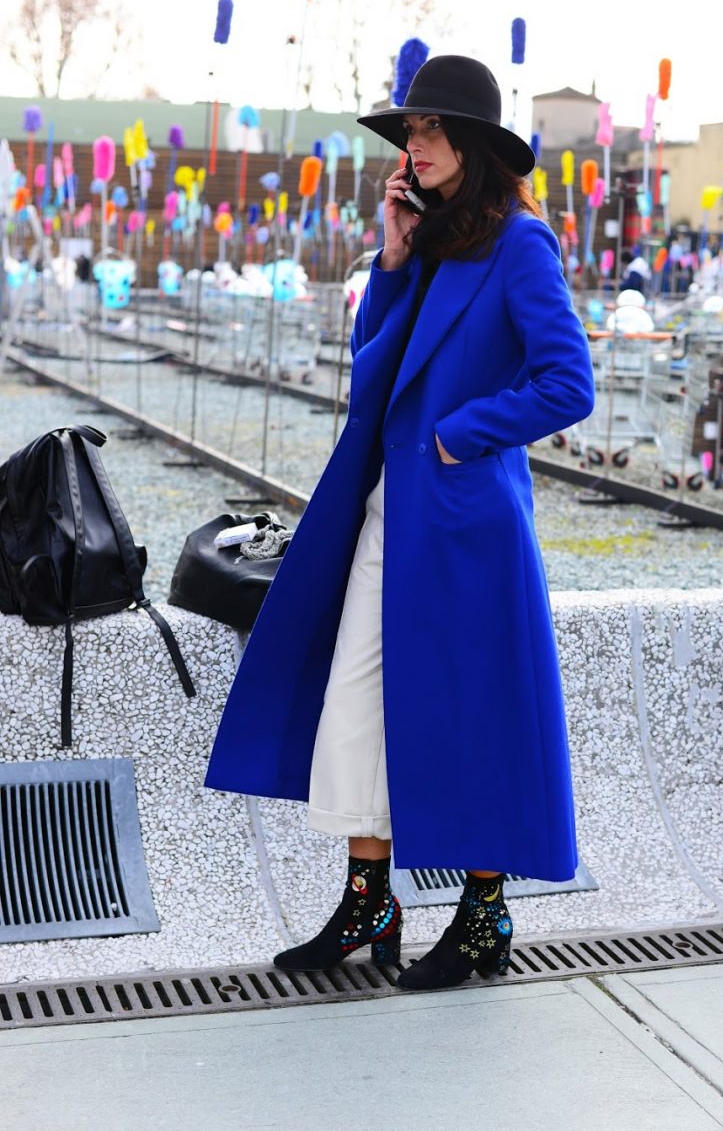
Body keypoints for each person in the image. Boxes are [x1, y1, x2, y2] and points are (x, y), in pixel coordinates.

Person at [204, 55, 595, 991]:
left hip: (465, 526)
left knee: (476, 714)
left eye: (428, 131)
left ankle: (483, 916)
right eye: (409, 132)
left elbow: (567, 383)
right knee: (356, 705)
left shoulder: (518, 245)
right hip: (388, 509)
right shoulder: (431, 240)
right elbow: (372, 369)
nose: (413, 146)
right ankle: (368, 902)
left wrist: (462, 435)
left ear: (470, 144)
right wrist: (390, 257)